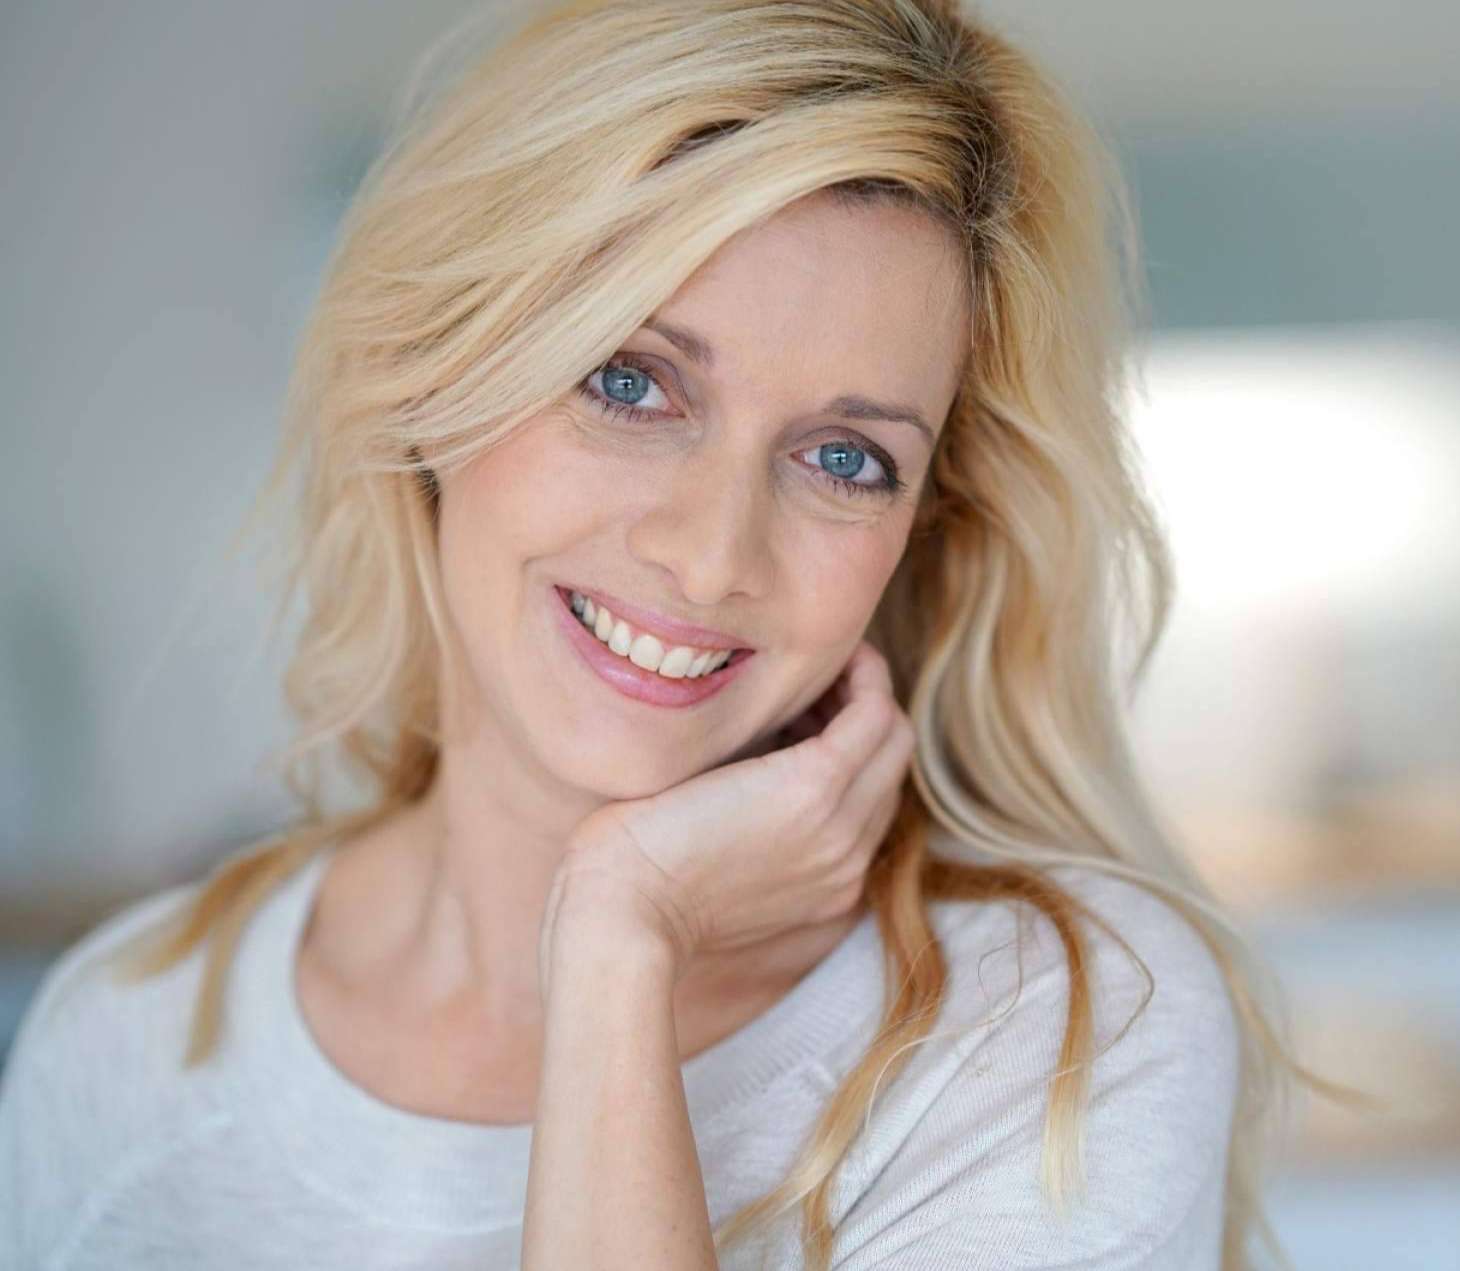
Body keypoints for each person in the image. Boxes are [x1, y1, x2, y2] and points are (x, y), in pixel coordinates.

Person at [0, 1, 1325, 1266]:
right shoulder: (131, 1043)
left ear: (925, 526)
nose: (710, 554)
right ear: (439, 375)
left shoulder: (1055, 1027)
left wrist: (616, 948)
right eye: (630, 382)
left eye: (845, 458)